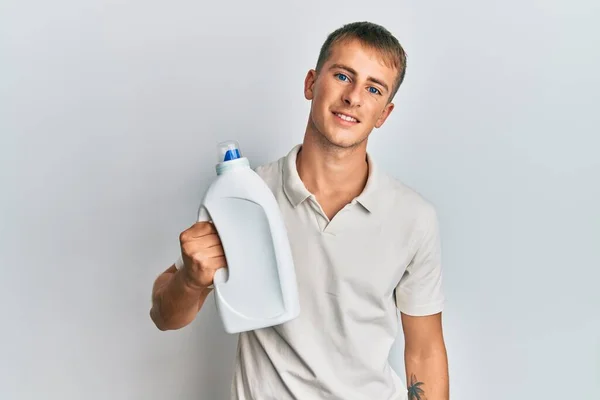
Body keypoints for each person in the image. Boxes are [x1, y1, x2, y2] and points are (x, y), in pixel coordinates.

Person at [150, 21, 449, 400]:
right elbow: (164, 315)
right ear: (311, 83)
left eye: (373, 88)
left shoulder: (413, 218)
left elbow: (423, 351)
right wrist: (192, 281)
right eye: (343, 75)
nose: (354, 97)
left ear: (383, 114)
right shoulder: (244, 198)